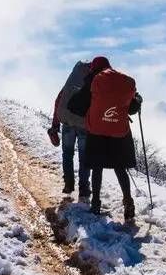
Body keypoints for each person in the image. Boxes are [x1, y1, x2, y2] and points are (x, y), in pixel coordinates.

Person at [67, 56, 142, 224]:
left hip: (97, 132)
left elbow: (75, 105)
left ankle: (95, 204)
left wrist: (89, 112)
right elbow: (132, 109)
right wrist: (138, 100)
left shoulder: (94, 81)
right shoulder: (122, 82)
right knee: (120, 168)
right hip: (119, 133)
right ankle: (128, 202)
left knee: (97, 167)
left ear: (94, 67)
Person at [49, 60, 92, 200]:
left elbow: (58, 101)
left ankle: (68, 184)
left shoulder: (71, 81)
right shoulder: (95, 81)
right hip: (84, 125)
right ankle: (84, 189)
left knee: (67, 154)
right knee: (85, 157)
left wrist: (55, 125)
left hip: (67, 121)